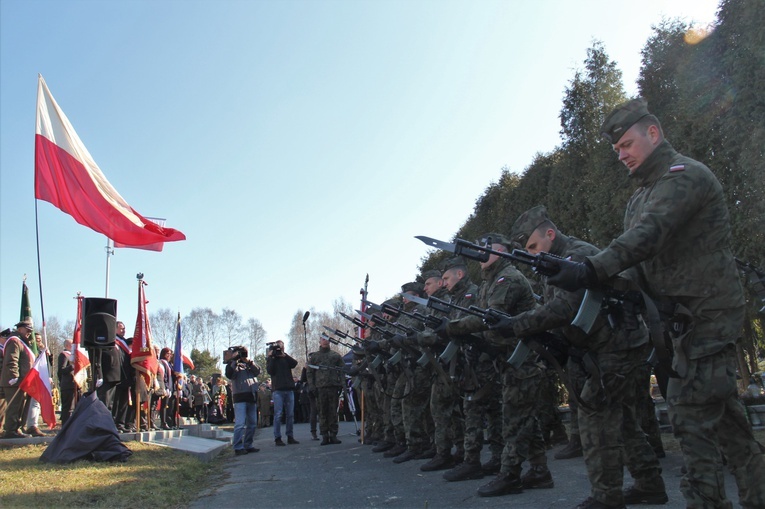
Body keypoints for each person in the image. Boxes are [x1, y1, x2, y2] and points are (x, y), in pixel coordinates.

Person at [547, 98, 765, 509]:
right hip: (681, 324)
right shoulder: (639, 197)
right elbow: (639, 267)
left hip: (707, 316)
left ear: (654, 133)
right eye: (617, 150)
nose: (622, 155)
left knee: (690, 420)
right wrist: (586, 277)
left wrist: (592, 268)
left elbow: (647, 236)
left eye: (627, 144)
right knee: (730, 427)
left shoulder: (683, 176)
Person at [507, 205, 666, 509]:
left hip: (617, 346)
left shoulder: (575, 255)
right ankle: (650, 485)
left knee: (596, 417)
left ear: (550, 234)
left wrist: (515, 325)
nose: (533, 255)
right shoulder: (555, 261)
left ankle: (607, 498)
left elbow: (565, 308)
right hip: (611, 345)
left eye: (533, 246)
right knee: (623, 421)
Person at [443, 233, 543, 498]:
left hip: (519, 358)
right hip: (507, 359)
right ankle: (540, 470)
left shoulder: (506, 278)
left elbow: (490, 318)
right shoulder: (490, 282)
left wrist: (451, 328)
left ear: (499, 251)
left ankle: (510, 476)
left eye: (485, 248)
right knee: (523, 418)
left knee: (514, 419)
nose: (480, 253)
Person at [308, 334, 346, 445]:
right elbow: (309, 373)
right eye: (323, 339)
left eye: (327, 339)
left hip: (333, 387)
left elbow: (342, 370)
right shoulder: (315, 357)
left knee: (333, 411)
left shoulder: (335, 356)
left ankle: (333, 434)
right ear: (319, 342)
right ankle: (324, 435)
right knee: (322, 412)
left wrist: (342, 384)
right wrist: (312, 386)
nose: (325, 341)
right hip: (320, 388)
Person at [1, 318, 35, 439]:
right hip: (14, 381)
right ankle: (11, 430)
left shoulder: (21, 341)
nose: (29, 333)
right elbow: (12, 360)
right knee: (14, 406)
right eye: (27, 330)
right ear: (20, 329)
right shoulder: (14, 341)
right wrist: (14, 376)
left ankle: (16, 429)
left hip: (22, 381)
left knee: (20, 406)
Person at [225, 345, 261, 455]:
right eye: (239, 353)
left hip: (251, 396)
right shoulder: (231, 364)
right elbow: (230, 374)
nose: (241, 355)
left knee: (252, 424)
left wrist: (249, 361)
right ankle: (238, 447)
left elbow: (257, 371)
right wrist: (234, 360)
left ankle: (248, 445)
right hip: (240, 397)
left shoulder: (249, 364)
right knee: (240, 424)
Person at [267, 340, 299, 446]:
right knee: (278, 415)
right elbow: (270, 371)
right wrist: (271, 357)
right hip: (278, 390)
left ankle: (290, 436)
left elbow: (294, 363)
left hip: (289, 389)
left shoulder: (285, 358)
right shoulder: (272, 359)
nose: (279, 348)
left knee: (290, 414)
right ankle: (277, 438)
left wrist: (284, 355)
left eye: (281, 346)